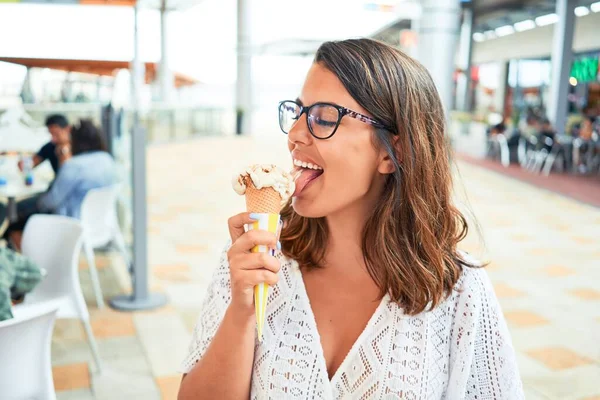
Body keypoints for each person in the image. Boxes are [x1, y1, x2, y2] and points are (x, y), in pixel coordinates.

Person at [178, 39, 524, 399]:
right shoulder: (253, 260)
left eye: (324, 117)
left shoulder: (458, 290)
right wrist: (241, 311)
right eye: (297, 112)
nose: (295, 134)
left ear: (394, 152)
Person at [5, 119, 117, 249]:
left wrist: (39, 203)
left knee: (13, 222)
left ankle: (27, 260)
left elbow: (52, 201)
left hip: (68, 222)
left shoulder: (74, 165)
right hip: (97, 222)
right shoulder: (107, 159)